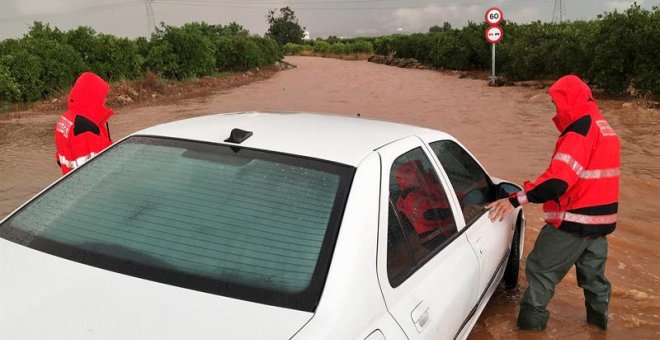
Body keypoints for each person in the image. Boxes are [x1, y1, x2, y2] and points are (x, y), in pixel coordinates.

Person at [485, 75, 620, 331]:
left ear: (569, 101)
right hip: (600, 226)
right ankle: (599, 329)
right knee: (595, 284)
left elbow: (556, 182)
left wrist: (515, 199)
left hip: (573, 223)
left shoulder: (580, 130)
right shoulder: (604, 127)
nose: (556, 110)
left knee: (539, 273)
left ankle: (527, 333)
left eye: (557, 103)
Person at [54, 72, 114, 175]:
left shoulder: (66, 118)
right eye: (103, 97)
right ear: (93, 96)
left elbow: (60, 159)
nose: (104, 100)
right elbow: (93, 171)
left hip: (69, 181)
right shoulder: (85, 127)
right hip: (88, 187)